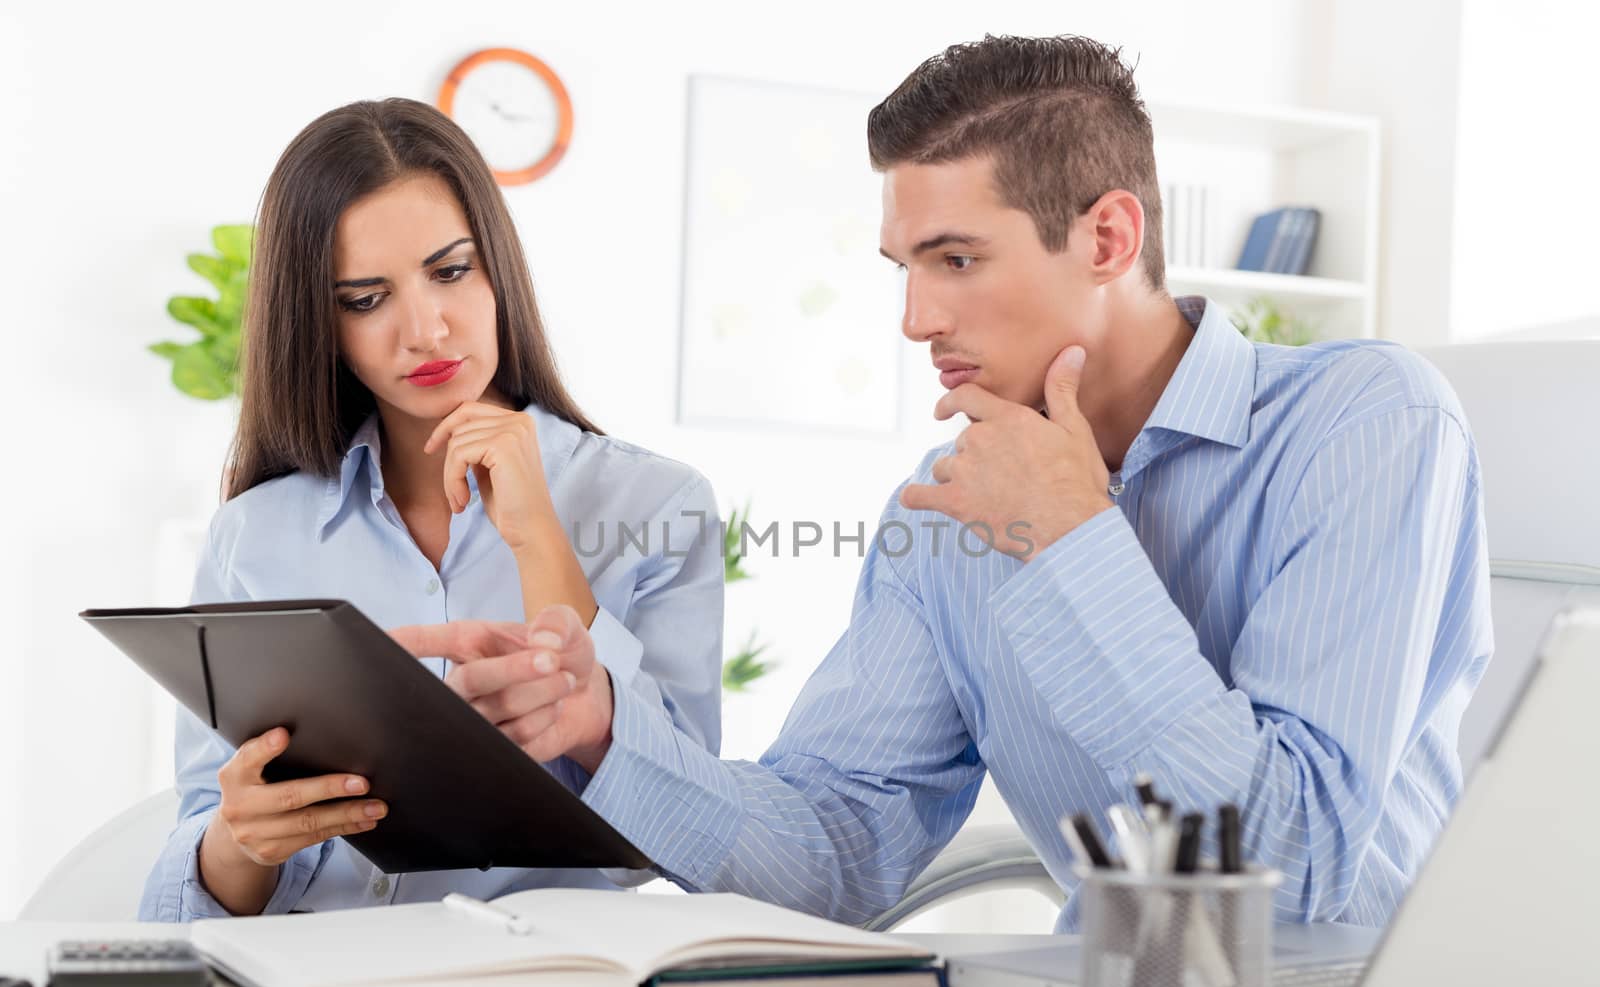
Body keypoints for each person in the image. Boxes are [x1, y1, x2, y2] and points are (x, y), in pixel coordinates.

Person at [403, 34, 1494, 930]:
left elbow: (1292, 877)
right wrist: (602, 726)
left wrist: (1071, 540)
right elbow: (837, 846)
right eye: (905, 268)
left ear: (1108, 236)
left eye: (956, 260)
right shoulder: (944, 513)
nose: (916, 320)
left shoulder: (1365, 423)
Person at [138, 99, 722, 922]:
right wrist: (239, 841)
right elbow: (189, 891)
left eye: (451, 271)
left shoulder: (658, 507)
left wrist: (535, 536)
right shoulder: (255, 535)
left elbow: (686, 835)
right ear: (320, 323)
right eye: (365, 299)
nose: (425, 330)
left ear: (498, 272)